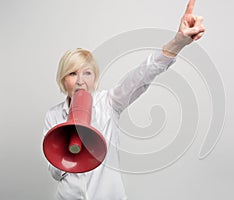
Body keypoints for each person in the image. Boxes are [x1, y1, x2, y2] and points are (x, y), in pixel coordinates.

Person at [42, 0, 205, 199]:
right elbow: (54, 172)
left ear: (95, 79)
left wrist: (177, 43)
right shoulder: (53, 115)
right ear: (62, 79)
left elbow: (142, 75)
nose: (80, 82)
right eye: (72, 74)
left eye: (87, 73)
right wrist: (69, 148)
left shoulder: (110, 103)